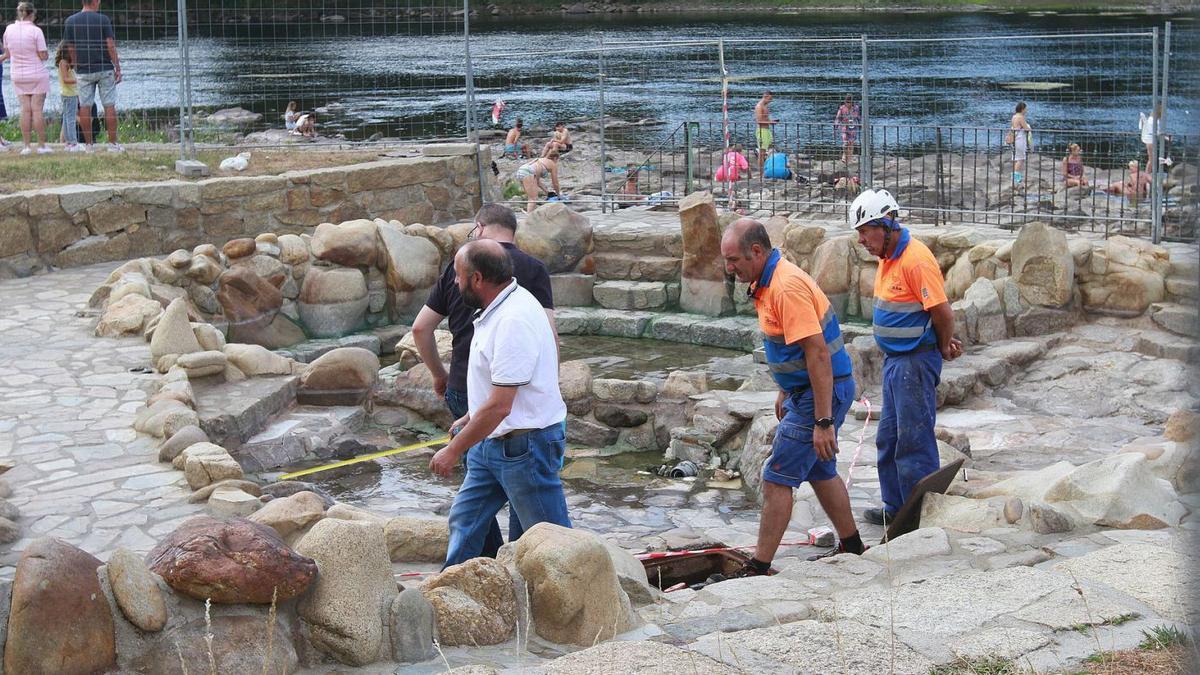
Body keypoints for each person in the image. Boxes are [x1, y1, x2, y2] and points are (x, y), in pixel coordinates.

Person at [720, 219, 865, 573]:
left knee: (776, 477)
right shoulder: (766, 281)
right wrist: (784, 388)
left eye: (734, 259)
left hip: (819, 394)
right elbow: (790, 346)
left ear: (756, 251)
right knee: (820, 469)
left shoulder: (785, 288)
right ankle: (854, 546)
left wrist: (823, 420)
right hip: (805, 391)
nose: (729, 268)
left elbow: (817, 354)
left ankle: (759, 565)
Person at [412, 204, 556, 560]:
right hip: (493, 438)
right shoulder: (496, 307)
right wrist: (469, 417)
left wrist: (454, 449)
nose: (454, 283)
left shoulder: (513, 320)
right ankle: (454, 591)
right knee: (465, 517)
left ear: (477, 279)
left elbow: (502, 403)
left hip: (523, 445)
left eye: (459, 277)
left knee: (547, 539)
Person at [852, 188, 962, 527]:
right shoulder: (889, 258)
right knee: (889, 437)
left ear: (885, 225)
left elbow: (941, 312)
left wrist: (943, 345)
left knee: (913, 438)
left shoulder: (916, 260)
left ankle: (919, 513)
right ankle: (896, 506)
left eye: (864, 231)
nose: (861, 241)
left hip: (914, 361)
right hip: (896, 361)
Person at [63, 0, 121, 153]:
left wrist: (75, 65)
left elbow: (70, 47)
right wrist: (117, 67)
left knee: (85, 106)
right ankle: (113, 144)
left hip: (83, 70)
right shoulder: (103, 19)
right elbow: (110, 44)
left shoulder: (70, 21)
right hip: (104, 67)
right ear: (94, 1)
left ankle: (89, 145)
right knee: (109, 105)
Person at [2, 2, 50, 155]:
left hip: (18, 74)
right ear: (32, 14)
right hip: (36, 74)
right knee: (37, 110)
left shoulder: (9, 30)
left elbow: (8, 53)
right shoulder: (36, 31)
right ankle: (42, 146)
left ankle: (26, 146)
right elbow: (43, 55)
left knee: (25, 110)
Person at [55, 40, 81, 152]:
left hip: (67, 94)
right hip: (69, 95)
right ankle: (73, 142)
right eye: (72, 48)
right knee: (70, 119)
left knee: (66, 118)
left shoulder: (66, 63)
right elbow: (65, 79)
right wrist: (78, 81)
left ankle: (68, 143)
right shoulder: (63, 63)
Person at [1008, 102, 1031, 187]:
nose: (1026, 110)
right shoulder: (1020, 117)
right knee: (1020, 159)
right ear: (1022, 109)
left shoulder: (1014, 116)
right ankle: (1016, 180)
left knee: (1016, 159)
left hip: (1015, 139)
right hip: (1020, 139)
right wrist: (1029, 127)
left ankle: (1015, 178)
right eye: (1026, 108)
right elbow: (1026, 128)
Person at [754, 90, 777, 173]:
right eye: (770, 99)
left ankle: (767, 167)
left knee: (769, 149)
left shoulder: (765, 106)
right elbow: (759, 121)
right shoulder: (759, 106)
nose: (770, 101)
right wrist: (771, 122)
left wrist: (771, 121)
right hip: (761, 131)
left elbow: (765, 119)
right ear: (766, 96)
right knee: (762, 152)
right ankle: (761, 171)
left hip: (767, 130)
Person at [834, 94, 860, 164]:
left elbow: (858, 117)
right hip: (844, 128)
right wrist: (836, 126)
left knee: (851, 144)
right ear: (845, 102)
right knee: (845, 143)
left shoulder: (856, 108)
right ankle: (844, 156)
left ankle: (849, 159)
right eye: (847, 102)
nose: (848, 104)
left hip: (853, 128)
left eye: (849, 102)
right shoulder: (842, 108)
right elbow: (837, 118)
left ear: (852, 102)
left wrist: (860, 125)